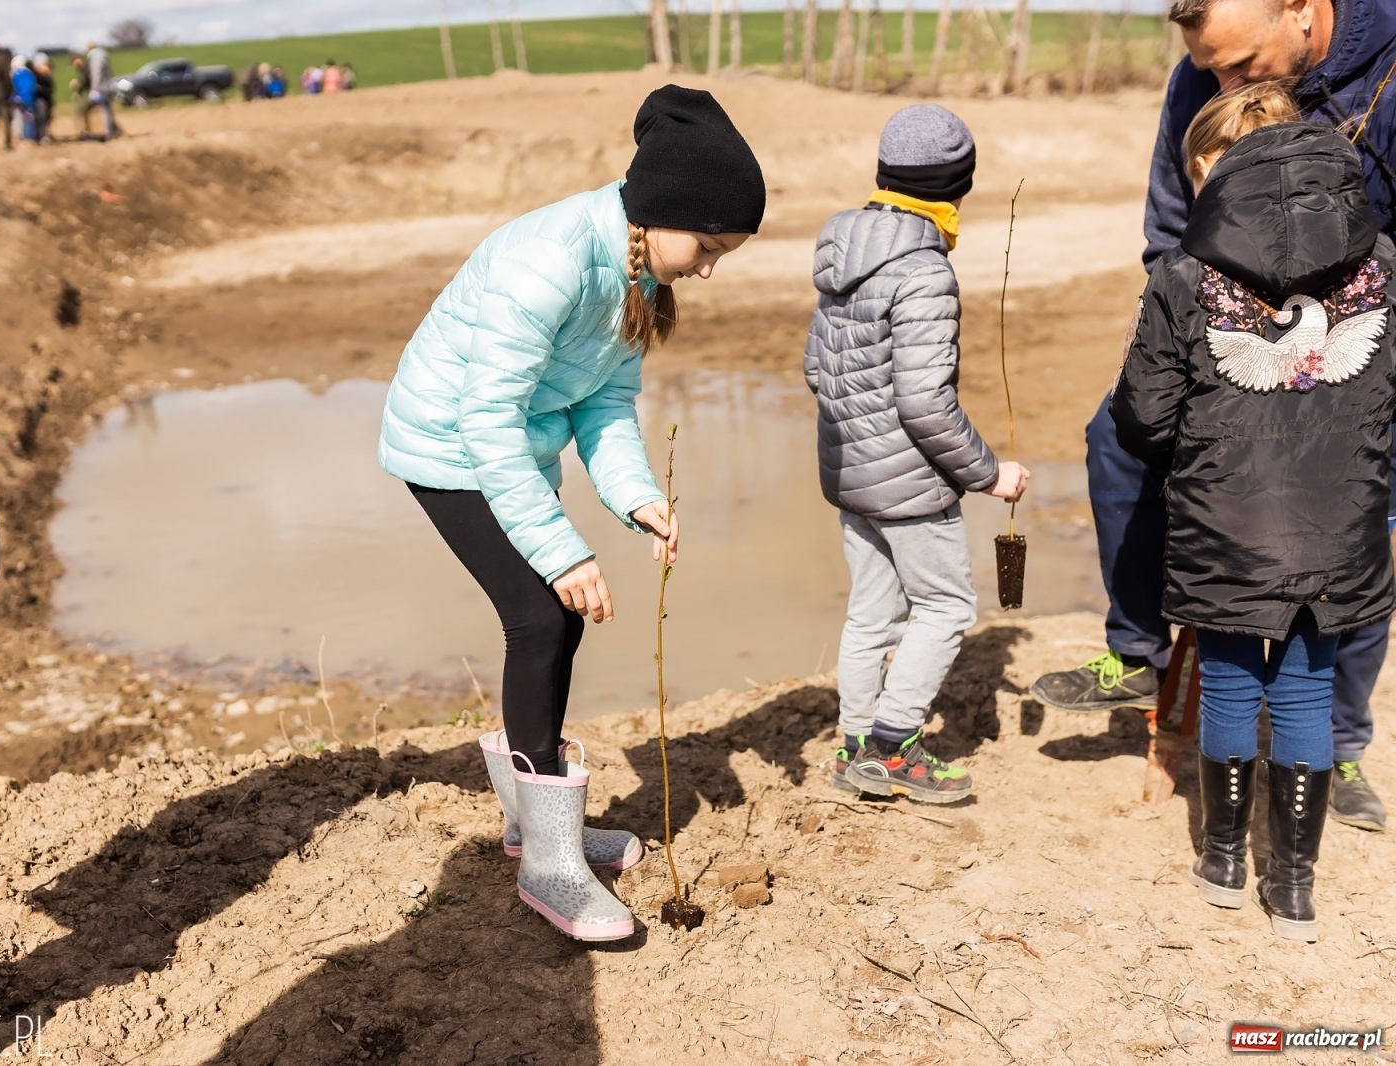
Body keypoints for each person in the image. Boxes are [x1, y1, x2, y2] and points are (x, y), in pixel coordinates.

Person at [379, 85, 761, 941]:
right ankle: (551, 865)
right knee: (544, 617)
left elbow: (604, 403)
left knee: (555, 622)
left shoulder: (635, 269)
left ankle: (535, 821)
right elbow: (485, 420)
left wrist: (635, 497)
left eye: (722, 255)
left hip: (506, 445)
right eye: (708, 247)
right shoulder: (549, 261)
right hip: (449, 445)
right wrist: (562, 550)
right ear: (663, 213)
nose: (708, 267)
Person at [1028, 0, 1396, 832]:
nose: (1219, 82)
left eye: (1238, 65)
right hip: (1228, 315)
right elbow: (1170, 226)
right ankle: (1137, 651)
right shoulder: (1203, 71)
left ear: (1303, 12)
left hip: (1359, 330)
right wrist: (1189, 319)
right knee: (1117, 436)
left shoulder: (1388, 75)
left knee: (1363, 521)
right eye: (1209, 67)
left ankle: (1340, 739)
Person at [1112, 89, 1395, 942]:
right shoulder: (1381, 263)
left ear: (1219, 172)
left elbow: (1142, 416)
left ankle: (1226, 863)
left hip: (1226, 520)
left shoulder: (1183, 276)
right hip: (1340, 524)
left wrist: (1195, 463)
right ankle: (1296, 888)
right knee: (1307, 688)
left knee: (1233, 683)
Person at [807, 105, 1030, 806]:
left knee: (873, 613)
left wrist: (862, 440)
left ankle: (854, 743)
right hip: (908, 484)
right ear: (955, 189)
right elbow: (926, 404)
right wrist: (990, 473)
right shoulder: (924, 268)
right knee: (946, 605)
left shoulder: (840, 247)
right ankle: (892, 747)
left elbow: (817, 369)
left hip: (848, 472)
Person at [85, 39, 119, 139]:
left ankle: (109, 133)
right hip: (108, 86)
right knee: (107, 109)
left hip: (101, 88)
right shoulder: (103, 55)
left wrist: (94, 89)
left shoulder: (96, 57)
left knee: (104, 110)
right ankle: (114, 130)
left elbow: (96, 74)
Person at [9, 53, 36, 144]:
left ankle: (20, 136)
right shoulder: (29, 73)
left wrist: (16, 97)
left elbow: (12, 87)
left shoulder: (14, 74)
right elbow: (31, 86)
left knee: (18, 118)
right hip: (29, 99)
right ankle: (29, 137)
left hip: (18, 100)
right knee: (29, 119)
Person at [32, 52, 54, 144]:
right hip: (40, 100)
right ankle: (41, 137)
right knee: (41, 118)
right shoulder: (36, 77)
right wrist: (46, 91)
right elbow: (37, 89)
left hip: (46, 100)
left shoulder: (46, 76)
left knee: (46, 119)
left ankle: (43, 135)